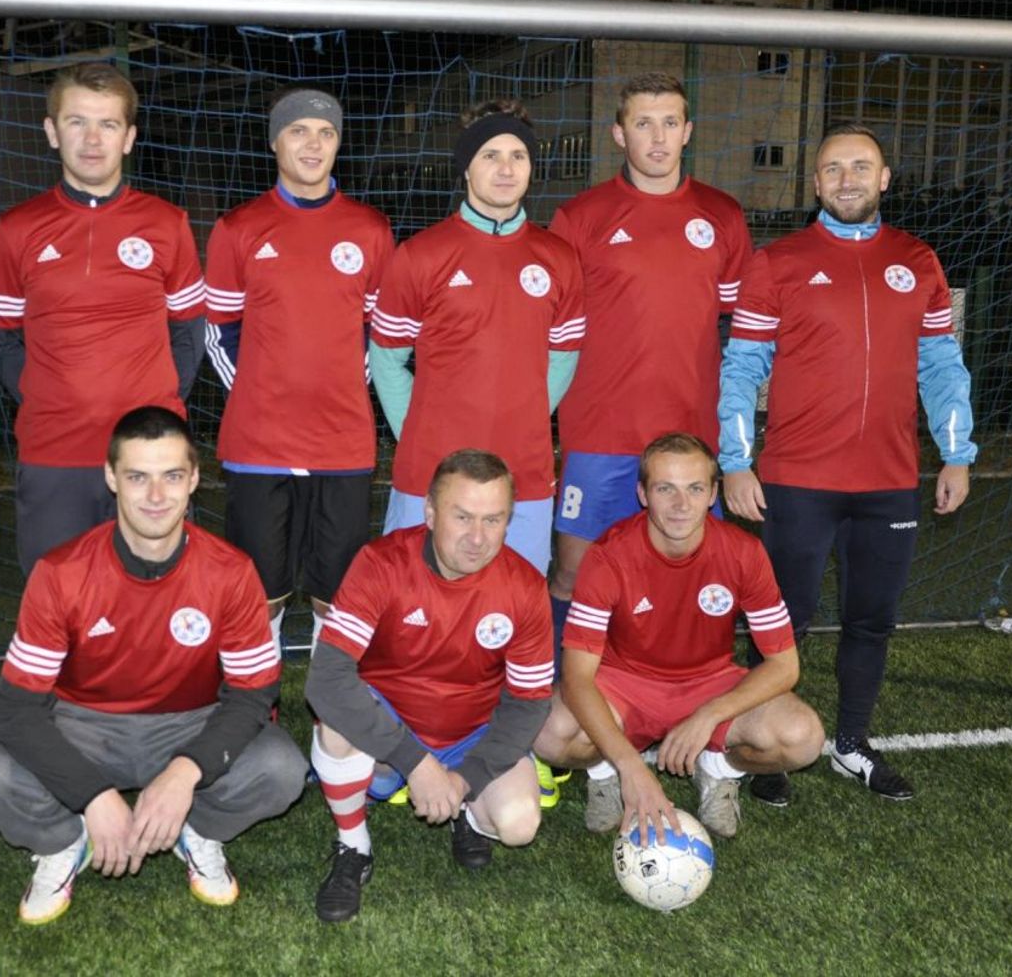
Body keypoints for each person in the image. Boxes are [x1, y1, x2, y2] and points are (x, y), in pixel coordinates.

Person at [0, 407, 306, 925]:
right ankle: (66, 840)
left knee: (282, 769)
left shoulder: (231, 573)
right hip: (83, 726)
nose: (156, 495)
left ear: (195, 478)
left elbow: (253, 694)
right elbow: (15, 710)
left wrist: (185, 773)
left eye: (172, 476)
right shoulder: (61, 573)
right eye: (138, 477)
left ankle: (196, 830)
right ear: (111, 478)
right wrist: (93, 796)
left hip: (190, 723)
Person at [718, 123, 976, 806]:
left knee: (871, 621)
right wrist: (736, 461)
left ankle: (852, 743)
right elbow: (741, 368)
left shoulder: (917, 260)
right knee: (782, 623)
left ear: (884, 178)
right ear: (816, 183)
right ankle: (763, 747)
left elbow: (941, 366)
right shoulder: (778, 262)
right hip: (797, 482)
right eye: (833, 168)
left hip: (890, 483)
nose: (847, 179)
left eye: (861, 167)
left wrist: (957, 454)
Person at [548, 72, 752, 660]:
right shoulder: (580, 217)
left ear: (688, 131)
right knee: (574, 573)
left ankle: (682, 689)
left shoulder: (723, 215)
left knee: (689, 576)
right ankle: (561, 698)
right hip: (599, 433)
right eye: (643, 124)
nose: (657, 138)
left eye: (669, 123)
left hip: (691, 438)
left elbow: (745, 332)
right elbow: (552, 330)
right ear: (619, 134)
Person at [533, 433, 823, 841]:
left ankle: (718, 769)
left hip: (710, 682)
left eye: (695, 489)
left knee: (802, 737)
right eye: (665, 488)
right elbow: (577, 677)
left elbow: (785, 665)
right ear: (642, 494)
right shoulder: (608, 556)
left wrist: (709, 715)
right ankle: (605, 770)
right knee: (546, 731)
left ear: (713, 494)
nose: (680, 504)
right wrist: (629, 766)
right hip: (624, 685)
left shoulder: (743, 553)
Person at [305, 450, 554, 923]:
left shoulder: (524, 585)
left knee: (519, 824)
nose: (477, 537)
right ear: (430, 512)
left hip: (470, 732)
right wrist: (417, 763)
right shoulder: (382, 564)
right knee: (335, 727)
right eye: (462, 517)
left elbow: (528, 702)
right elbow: (326, 680)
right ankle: (353, 845)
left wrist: (464, 777)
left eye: (493, 519)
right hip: (390, 727)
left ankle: (463, 807)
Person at [0, 62, 206, 574]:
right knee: (57, 598)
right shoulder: (16, 229)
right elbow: (3, 337)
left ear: (128, 138)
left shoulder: (167, 223)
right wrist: (46, 396)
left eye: (108, 124)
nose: (91, 139)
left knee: (157, 599)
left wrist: (156, 406)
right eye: (76, 122)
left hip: (149, 458)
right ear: (51, 131)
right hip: (54, 453)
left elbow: (190, 331)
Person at [203, 88, 393, 650]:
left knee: (337, 596)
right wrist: (260, 394)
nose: (314, 144)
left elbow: (380, 331)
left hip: (342, 441)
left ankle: (328, 703)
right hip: (259, 443)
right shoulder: (238, 227)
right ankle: (255, 696)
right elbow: (218, 328)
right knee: (259, 594)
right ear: (274, 142)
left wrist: (340, 387)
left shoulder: (371, 229)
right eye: (299, 131)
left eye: (326, 133)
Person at [370, 100, 585, 579]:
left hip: (523, 472)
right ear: (467, 166)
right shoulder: (420, 255)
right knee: (414, 598)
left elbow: (564, 354)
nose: (506, 169)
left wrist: (523, 417)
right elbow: (386, 357)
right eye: (491, 155)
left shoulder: (559, 259)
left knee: (515, 600)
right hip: (430, 470)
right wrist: (419, 432)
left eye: (518, 156)